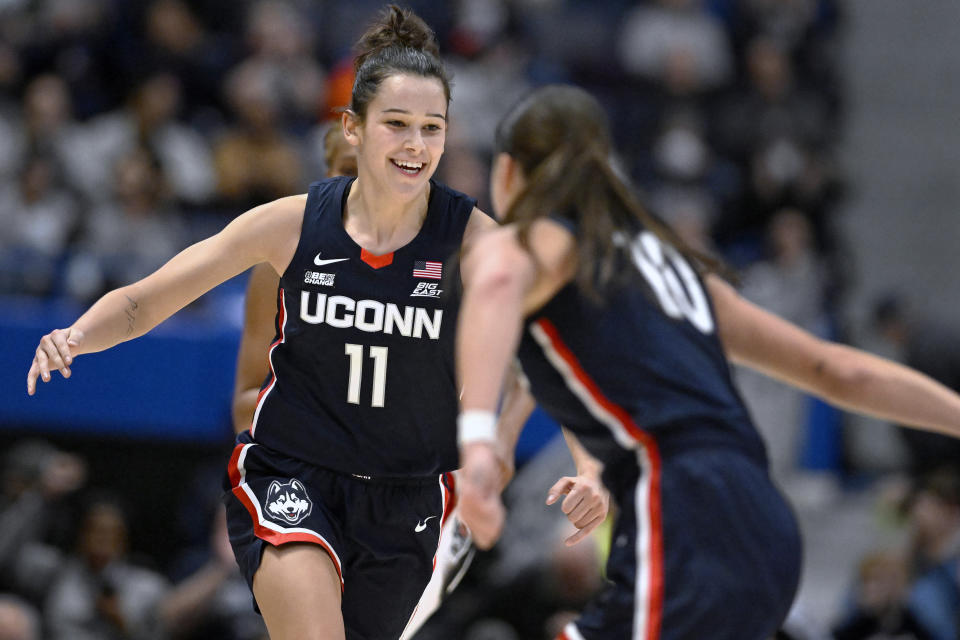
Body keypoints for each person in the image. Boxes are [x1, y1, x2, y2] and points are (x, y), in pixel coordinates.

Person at [27, 8, 607, 640]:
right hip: (292, 472)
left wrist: (589, 467)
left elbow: (555, 347)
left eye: (432, 128)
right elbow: (150, 297)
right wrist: (77, 335)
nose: (416, 145)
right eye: (397, 125)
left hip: (407, 496)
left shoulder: (471, 240)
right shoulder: (295, 223)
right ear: (353, 128)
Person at [452, 84, 960, 640]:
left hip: (685, 510)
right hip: (764, 521)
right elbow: (839, 370)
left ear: (507, 171)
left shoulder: (544, 240)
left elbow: (498, 278)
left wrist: (477, 440)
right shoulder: (681, 271)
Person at [228, 81, 608, 640]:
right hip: (309, 477)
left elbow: (533, 359)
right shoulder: (287, 251)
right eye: (334, 176)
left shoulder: (449, 249)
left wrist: (503, 439)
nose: (346, 190)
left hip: (416, 488)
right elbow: (245, 394)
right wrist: (296, 435)